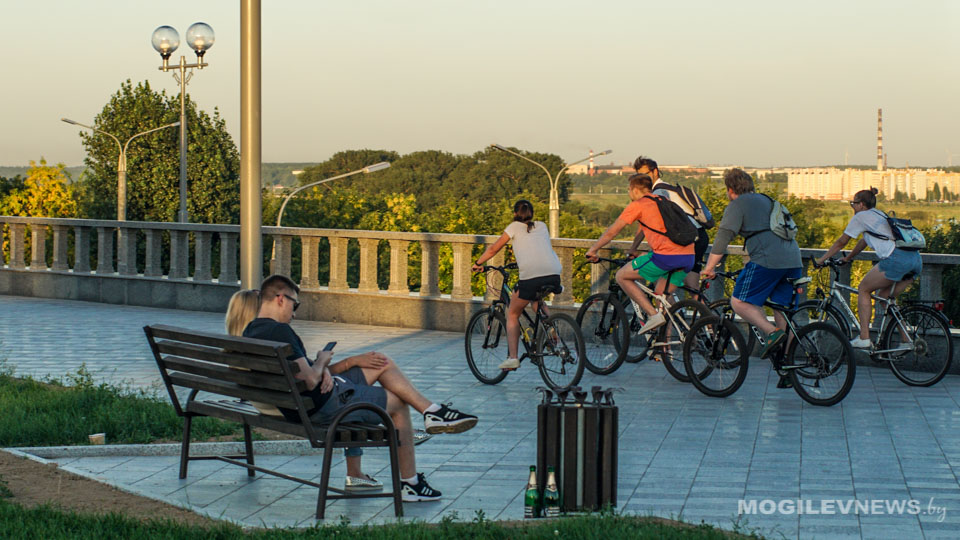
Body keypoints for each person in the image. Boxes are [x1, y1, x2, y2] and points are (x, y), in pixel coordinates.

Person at [241, 275, 478, 502]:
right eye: (295, 305)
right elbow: (311, 380)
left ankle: (431, 411)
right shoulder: (280, 331)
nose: (294, 313)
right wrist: (322, 360)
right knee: (398, 404)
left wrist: (340, 364)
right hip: (322, 405)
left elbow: (304, 374)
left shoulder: (251, 331)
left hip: (305, 402)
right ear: (281, 298)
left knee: (380, 362)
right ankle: (411, 484)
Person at [226, 289, 431, 493]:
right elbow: (310, 382)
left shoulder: (247, 346)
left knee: (369, 374)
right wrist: (327, 363)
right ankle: (409, 449)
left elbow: (307, 377)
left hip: (284, 403)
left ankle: (360, 470)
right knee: (389, 400)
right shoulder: (272, 341)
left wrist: (344, 363)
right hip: (302, 408)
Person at [700, 168, 803, 363]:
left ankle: (772, 332)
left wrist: (709, 267)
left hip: (768, 260)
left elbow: (723, 238)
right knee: (782, 311)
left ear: (730, 190)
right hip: (794, 259)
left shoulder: (737, 204)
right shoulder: (767, 200)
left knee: (739, 302)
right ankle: (786, 363)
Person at [585, 173, 696, 334]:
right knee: (661, 295)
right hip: (688, 256)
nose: (629, 193)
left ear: (635, 190)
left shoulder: (638, 205)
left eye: (629, 190)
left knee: (621, 276)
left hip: (666, 257)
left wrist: (593, 249)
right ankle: (668, 344)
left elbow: (612, 231)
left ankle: (652, 315)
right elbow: (647, 228)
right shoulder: (664, 200)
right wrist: (634, 248)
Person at [814, 187, 922, 348]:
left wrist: (821, 260)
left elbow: (841, 242)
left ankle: (864, 337)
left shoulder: (861, 217)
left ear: (861, 204)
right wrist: (848, 258)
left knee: (863, 289)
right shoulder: (879, 214)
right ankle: (906, 339)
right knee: (884, 297)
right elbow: (864, 240)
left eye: (853, 203)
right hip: (915, 260)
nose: (852, 207)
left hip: (896, 259)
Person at [472, 200, 562, 370]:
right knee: (536, 300)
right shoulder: (542, 226)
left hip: (532, 277)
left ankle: (513, 358)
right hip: (554, 274)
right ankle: (551, 329)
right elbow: (535, 247)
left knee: (512, 313)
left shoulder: (513, 227)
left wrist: (478, 263)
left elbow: (493, 249)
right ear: (531, 213)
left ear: (515, 214)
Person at [629, 156, 714, 299]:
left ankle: (670, 313)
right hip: (699, 237)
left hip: (687, 239)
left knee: (661, 284)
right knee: (692, 288)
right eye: (640, 176)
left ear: (655, 172)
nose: (644, 179)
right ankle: (704, 313)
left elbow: (644, 225)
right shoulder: (669, 188)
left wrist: (633, 248)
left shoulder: (658, 193)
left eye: (646, 174)